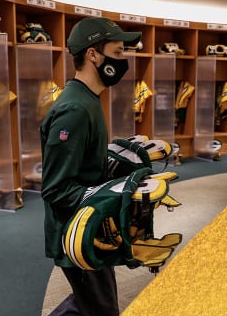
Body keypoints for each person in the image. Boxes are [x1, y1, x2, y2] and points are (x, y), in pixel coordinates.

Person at [41, 17, 142, 316]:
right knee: (101, 310)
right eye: (119, 51)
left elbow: (82, 165)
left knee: (90, 306)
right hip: (76, 232)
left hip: (90, 227)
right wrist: (114, 193)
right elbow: (57, 188)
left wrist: (119, 164)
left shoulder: (88, 100)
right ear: (93, 54)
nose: (123, 60)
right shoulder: (75, 109)